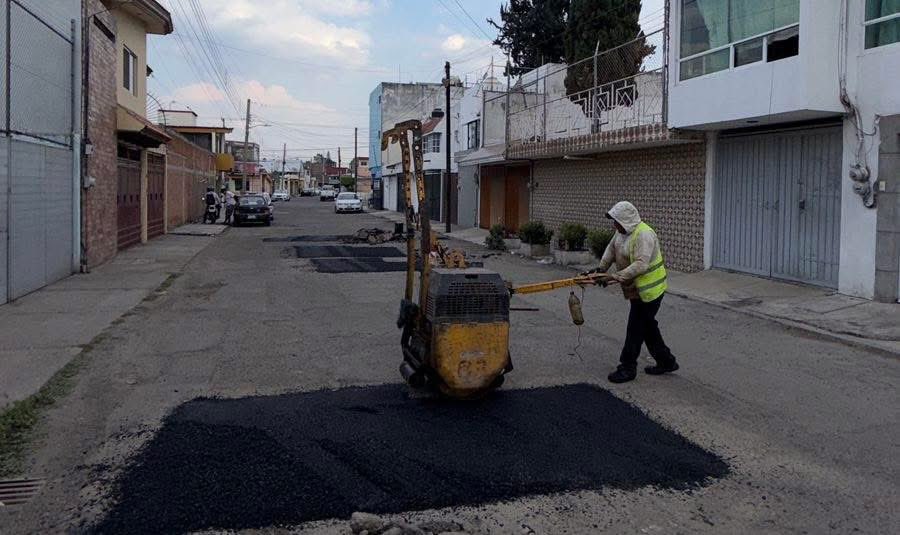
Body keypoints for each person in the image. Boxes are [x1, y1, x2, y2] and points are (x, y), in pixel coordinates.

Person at [582, 201, 678, 384]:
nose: (614, 225)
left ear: (626, 220)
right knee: (648, 327)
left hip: (650, 291)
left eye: (616, 221)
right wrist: (600, 269)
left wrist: (613, 277)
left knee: (635, 328)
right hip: (636, 290)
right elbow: (611, 249)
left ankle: (627, 368)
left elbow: (641, 265)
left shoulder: (644, 234)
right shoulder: (621, 233)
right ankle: (667, 361)